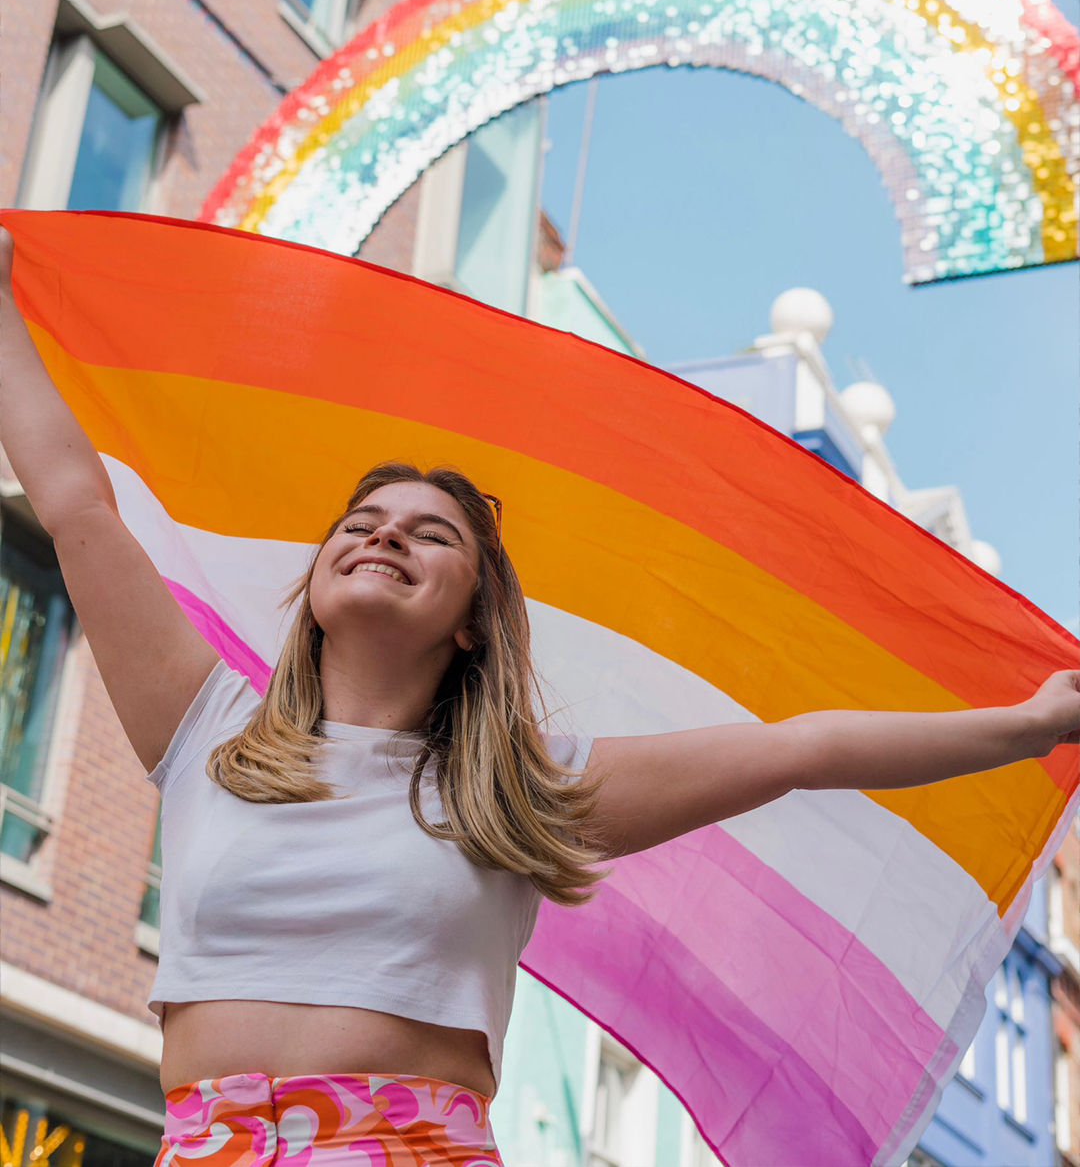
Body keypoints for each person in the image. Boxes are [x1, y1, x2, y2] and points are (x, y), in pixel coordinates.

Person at [1, 221, 1077, 1166]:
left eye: (430, 536)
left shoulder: (519, 793)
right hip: (208, 1148)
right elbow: (77, 505)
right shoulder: (204, 732)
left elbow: (803, 749)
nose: (384, 537)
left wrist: (1034, 723)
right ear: (319, 580)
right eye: (362, 524)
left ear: (471, 620)